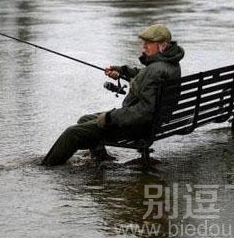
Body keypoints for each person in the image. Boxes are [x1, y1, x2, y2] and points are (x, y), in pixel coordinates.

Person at [41, 24, 185, 166]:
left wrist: (110, 118)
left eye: (149, 43)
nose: (144, 47)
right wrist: (122, 71)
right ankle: (100, 158)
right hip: (153, 123)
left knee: (72, 133)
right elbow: (145, 79)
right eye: (144, 42)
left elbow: (144, 111)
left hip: (137, 127)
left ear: (162, 46)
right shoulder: (170, 64)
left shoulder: (155, 69)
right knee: (85, 119)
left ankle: (47, 167)